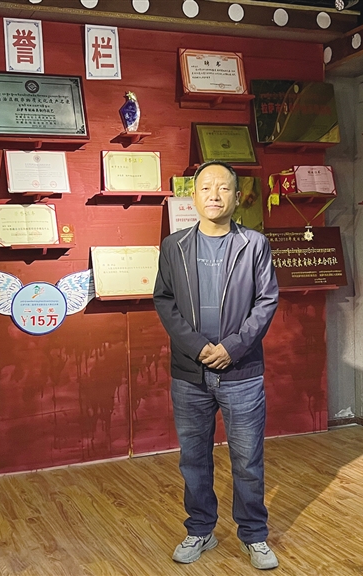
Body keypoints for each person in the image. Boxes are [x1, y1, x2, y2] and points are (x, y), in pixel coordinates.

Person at [153, 161, 280, 570]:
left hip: (242, 372)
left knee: (247, 460)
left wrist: (233, 347)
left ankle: (254, 535)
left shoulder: (255, 244)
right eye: (205, 187)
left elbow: (266, 301)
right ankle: (200, 529)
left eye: (223, 188)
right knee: (193, 459)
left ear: (237, 197)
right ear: (193, 196)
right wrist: (197, 347)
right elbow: (164, 301)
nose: (214, 194)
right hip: (190, 374)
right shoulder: (173, 246)